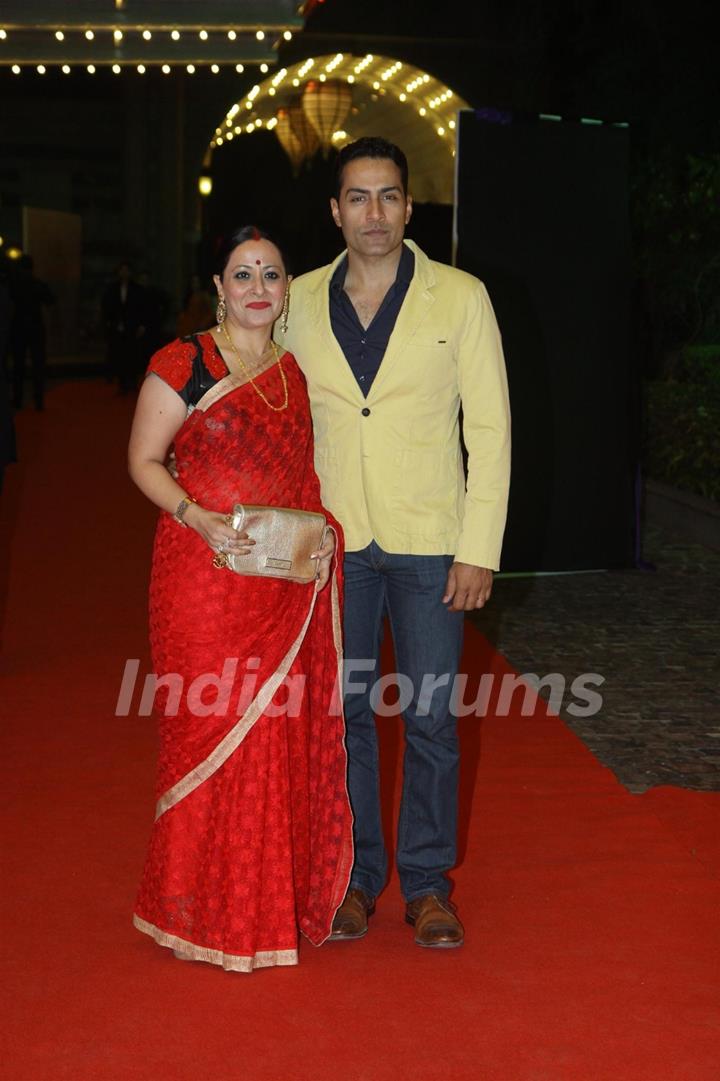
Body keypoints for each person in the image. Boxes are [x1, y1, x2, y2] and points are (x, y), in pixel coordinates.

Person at [281, 137, 511, 948]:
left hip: (429, 541)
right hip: (334, 544)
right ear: (335, 210)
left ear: (410, 208)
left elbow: (489, 426)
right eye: (357, 197)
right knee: (343, 718)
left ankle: (426, 883)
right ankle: (353, 879)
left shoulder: (461, 296)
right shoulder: (298, 301)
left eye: (387, 197)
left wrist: (478, 545)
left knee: (432, 718)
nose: (373, 213)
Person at [128, 225, 353, 972]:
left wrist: (321, 538)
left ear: (287, 288)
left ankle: (254, 907)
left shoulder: (290, 370)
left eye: (272, 274)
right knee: (206, 729)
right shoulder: (184, 361)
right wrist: (198, 517)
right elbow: (144, 460)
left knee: (268, 740)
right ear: (218, 286)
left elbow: (300, 483)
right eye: (242, 274)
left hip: (279, 587)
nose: (258, 287)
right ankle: (188, 908)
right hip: (202, 578)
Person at [8, 255, 54, 410]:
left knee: (19, 367)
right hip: (34, 329)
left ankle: (18, 400)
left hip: (19, 330)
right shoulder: (36, 284)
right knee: (37, 367)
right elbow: (51, 300)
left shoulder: (13, 285)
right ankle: (39, 401)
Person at [102, 262, 146, 393]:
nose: (124, 273)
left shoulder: (137, 289)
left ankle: (132, 382)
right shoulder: (113, 289)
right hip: (117, 327)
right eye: (122, 270)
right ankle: (122, 384)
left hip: (132, 326)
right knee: (119, 355)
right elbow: (107, 307)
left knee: (132, 355)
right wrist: (109, 323)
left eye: (127, 270)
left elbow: (142, 308)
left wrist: (141, 325)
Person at [176, 273, 216, 339]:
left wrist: (201, 326)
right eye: (193, 282)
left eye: (197, 282)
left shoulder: (204, 296)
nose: (195, 284)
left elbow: (210, 314)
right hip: (186, 328)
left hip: (198, 329)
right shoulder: (189, 296)